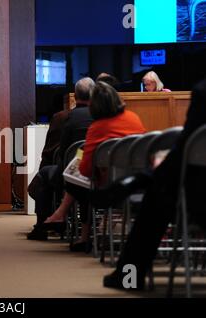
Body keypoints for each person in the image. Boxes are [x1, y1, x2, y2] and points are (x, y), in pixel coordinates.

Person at [103, 77, 206, 291]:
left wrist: (153, 173)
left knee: (158, 194)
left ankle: (128, 277)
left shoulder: (203, 91)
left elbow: (186, 150)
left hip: (200, 197)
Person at [43, 81, 146, 251]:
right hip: (137, 184)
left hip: (108, 189)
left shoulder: (97, 127)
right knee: (82, 181)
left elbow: (85, 170)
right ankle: (70, 223)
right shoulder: (133, 118)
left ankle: (78, 231)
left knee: (79, 180)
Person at [27, 77, 95, 241]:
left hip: (70, 173)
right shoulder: (102, 117)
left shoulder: (61, 117)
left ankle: (41, 227)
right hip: (98, 172)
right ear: (93, 95)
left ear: (75, 95)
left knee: (44, 173)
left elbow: (60, 151)